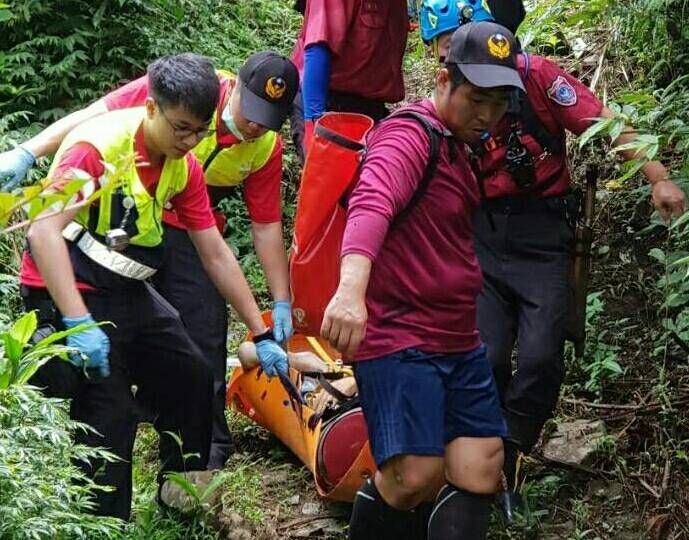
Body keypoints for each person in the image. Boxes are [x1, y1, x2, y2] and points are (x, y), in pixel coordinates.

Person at [419, 0, 688, 522]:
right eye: (445, 48)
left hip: (543, 234)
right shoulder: (445, 101)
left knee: (542, 356)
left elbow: (601, 124)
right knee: (487, 354)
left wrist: (657, 175)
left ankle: (512, 450)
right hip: (482, 235)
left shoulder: (537, 78)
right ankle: (484, 462)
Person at [20, 53, 288, 519]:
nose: (189, 141)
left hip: (126, 286)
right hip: (67, 285)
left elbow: (215, 252)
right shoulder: (99, 150)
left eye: (198, 132)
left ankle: (181, 497)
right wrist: (78, 322)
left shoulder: (183, 166)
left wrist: (262, 330)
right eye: (180, 128)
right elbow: (43, 232)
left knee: (193, 373)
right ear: (151, 108)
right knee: (110, 416)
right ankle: (102, 523)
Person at [319, 22, 524, 540]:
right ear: (441, 81)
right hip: (399, 335)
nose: (487, 115)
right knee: (414, 476)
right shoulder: (408, 136)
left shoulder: (461, 145)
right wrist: (349, 292)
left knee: (481, 463)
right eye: (477, 99)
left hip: (456, 336)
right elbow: (373, 204)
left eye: (499, 103)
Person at [289, 0, 409, 161]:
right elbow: (319, 46)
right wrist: (313, 126)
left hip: (370, 104)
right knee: (328, 176)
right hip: (324, 98)